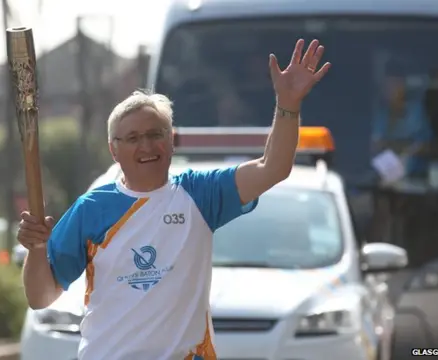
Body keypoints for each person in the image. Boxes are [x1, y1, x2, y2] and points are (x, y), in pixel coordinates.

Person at [17, 39, 330, 360]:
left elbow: (272, 168)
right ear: (114, 149)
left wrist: (288, 105)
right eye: (133, 138)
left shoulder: (200, 194)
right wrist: (37, 250)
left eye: (156, 134)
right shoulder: (92, 209)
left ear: (171, 140)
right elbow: (41, 296)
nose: (147, 147)